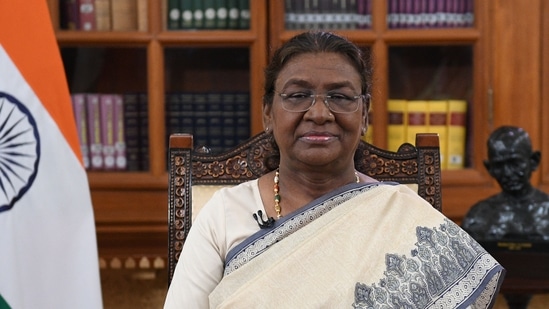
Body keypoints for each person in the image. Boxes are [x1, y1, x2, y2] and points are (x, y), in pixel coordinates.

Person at [164, 31, 505, 308]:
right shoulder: (224, 215)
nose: (319, 113)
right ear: (268, 112)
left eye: (340, 97)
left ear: (365, 114)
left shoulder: (400, 213)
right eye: (298, 95)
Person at [462, 126, 549, 241]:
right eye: (499, 166)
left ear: (533, 161)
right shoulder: (478, 216)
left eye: (515, 163)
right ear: (489, 168)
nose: (507, 173)